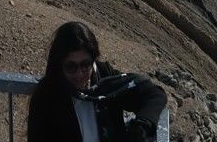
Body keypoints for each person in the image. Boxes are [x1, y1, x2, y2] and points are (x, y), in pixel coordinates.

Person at [29, 21, 174, 142]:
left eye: (85, 65)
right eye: (71, 66)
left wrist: (142, 125)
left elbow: (155, 95)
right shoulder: (47, 96)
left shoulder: (104, 78)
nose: (79, 74)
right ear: (60, 64)